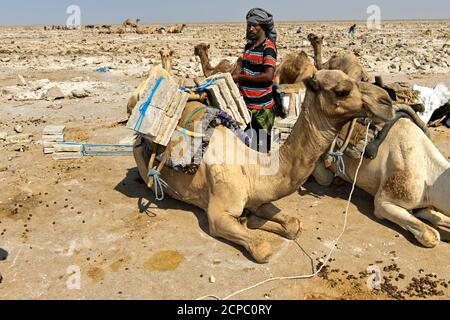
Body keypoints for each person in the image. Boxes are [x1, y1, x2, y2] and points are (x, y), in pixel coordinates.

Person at [233, 8, 277, 153]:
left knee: (262, 150)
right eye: (248, 25)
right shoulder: (249, 46)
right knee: (243, 147)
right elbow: (246, 70)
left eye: (254, 25)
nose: (250, 28)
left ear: (263, 26)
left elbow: (268, 76)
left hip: (261, 108)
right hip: (245, 106)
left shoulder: (268, 48)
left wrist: (240, 78)